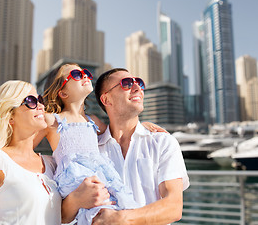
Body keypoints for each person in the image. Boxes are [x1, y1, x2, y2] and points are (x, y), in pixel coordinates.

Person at [39, 63, 164, 224]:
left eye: (85, 73)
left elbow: (118, 130)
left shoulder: (93, 121)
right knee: (98, 214)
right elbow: (25, 139)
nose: (84, 75)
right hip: (75, 180)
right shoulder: (52, 120)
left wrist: (142, 125)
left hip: (100, 176)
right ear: (62, 92)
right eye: (76, 74)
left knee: (115, 208)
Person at [62, 68, 190, 224]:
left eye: (139, 83)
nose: (137, 88)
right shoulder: (90, 150)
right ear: (106, 100)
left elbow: (173, 207)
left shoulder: (163, 143)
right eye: (127, 84)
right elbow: (64, 216)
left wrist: (121, 219)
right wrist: (75, 200)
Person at [0, 80, 61, 225]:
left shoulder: (52, 163)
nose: (41, 106)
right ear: (10, 116)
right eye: (31, 101)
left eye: (40, 100)